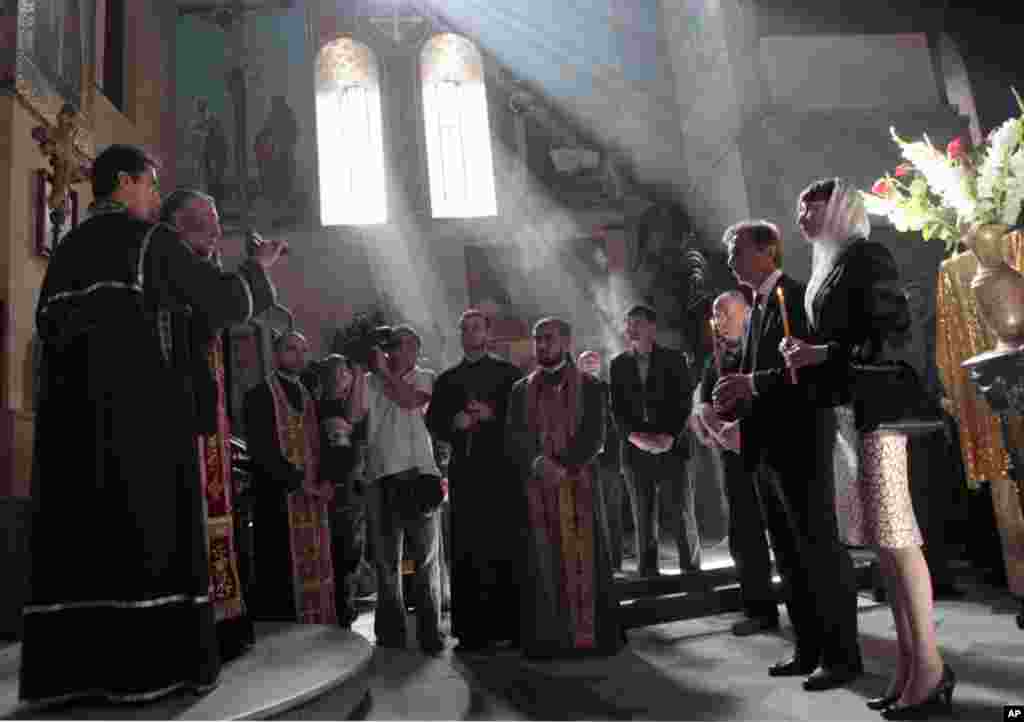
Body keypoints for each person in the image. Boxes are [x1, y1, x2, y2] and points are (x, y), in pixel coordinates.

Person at [21, 144, 284, 706]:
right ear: (124, 182)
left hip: (71, 435)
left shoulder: (67, 250)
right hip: (140, 429)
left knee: (83, 546)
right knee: (146, 542)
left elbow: (45, 332)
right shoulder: (148, 241)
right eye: (151, 184)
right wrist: (258, 271)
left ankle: (72, 677)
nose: (155, 196)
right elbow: (219, 300)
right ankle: (148, 672)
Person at [780, 178, 953, 717]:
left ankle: (930, 669)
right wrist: (812, 355)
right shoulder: (831, 263)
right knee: (883, 546)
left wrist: (820, 354)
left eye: (809, 207)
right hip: (853, 415)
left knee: (898, 540)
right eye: (799, 209)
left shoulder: (867, 256)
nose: (801, 217)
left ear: (837, 209)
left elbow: (892, 338)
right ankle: (911, 667)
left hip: (881, 413)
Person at [713, 219, 862, 692]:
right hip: (765, 448)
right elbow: (760, 377)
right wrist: (735, 402)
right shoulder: (755, 307)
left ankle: (841, 657)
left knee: (817, 551)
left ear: (767, 251)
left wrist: (752, 383)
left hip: (799, 443)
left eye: (737, 249)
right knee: (788, 555)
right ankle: (808, 648)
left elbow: (807, 373)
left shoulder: (797, 297)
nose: (729, 259)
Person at [159, 188, 255, 661]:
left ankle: (222, 622)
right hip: (173, 420)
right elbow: (221, 308)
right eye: (206, 218)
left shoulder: (196, 269)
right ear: (177, 222)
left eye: (217, 218)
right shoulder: (165, 264)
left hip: (206, 421)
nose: (216, 229)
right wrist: (252, 272)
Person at [506, 318, 624, 659]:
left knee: (586, 561)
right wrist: (536, 462)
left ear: (566, 342)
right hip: (537, 490)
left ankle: (589, 637)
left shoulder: (591, 386)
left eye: (548, 338)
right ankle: (547, 639)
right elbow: (513, 435)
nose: (541, 344)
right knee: (541, 563)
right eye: (537, 339)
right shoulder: (520, 389)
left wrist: (563, 465)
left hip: (579, 484)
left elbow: (596, 435)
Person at [424, 310, 523, 651]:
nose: (469, 333)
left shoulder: (509, 375)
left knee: (504, 546)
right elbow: (434, 423)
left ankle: (510, 625)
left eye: (476, 328)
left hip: (502, 474)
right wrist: (454, 423)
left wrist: (493, 415)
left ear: (487, 333)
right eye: (464, 329)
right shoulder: (447, 380)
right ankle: (472, 630)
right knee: (467, 550)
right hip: (465, 474)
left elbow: (524, 420)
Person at [353, 326, 446, 655]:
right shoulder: (369, 380)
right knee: (385, 562)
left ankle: (429, 632)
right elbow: (353, 415)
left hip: (420, 476)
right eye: (390, 344)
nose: (392, 349)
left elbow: (409, 401)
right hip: (380, 479)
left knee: (425, 561)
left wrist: (383, 373)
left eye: (400, 344)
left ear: (415, 349)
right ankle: (391, 634)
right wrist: (360, 369)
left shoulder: (426, 377)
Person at [690, 291, 779, 636]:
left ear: (747, 314)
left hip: (768, 453)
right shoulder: (713, 360)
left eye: (726, 312)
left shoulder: (763, 348)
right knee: (744, 535)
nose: (720, 320)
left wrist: (742, 429)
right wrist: (713, 425)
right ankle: (758, 609)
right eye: (716, 314)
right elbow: (705, 401)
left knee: (783, 533)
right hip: (733, 458)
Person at [243, 331, 337, 625]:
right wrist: (299, 482)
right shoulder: (259, 395)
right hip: (278, 501)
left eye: (303, 350)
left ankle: (319, 630)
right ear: (276, 355)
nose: (298, 356)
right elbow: (261, 451)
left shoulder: (310, 396)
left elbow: (324, 444)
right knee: (279, 574)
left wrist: (327, 480)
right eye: (291, 349)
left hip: (313, 501)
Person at [610, 304, 699, 576]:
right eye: (628, 323)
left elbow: (684, 403)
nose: (630, 328)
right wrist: (634, 437)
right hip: (635, 451)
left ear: (652, 327)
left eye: (636, 323)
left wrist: (669, 437)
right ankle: (648, 576)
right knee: (643, 516)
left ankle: (691, 573)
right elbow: (617, 409)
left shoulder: (674, 359)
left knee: (681, 513)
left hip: (672, 447)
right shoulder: (618, 364)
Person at [317, 354, 368, 629]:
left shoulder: (352, 404)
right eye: (335, 373)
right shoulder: (323, 406)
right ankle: (338, 612)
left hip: (351, 488)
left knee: (350, 552)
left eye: (345, 373)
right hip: (332, 487)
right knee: (338, 552)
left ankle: (344, 609)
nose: (341, 378)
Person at [578, 349, 627, 572]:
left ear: (599, 366)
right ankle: (592, 562)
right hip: (582, 461)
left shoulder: (610, 390)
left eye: (594, 360)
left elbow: (619, 424)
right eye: (586, 361)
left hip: (609, 460)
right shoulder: (573, 391)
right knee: (586, 512)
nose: (590, 364)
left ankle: (614, 562)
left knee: (612, 511)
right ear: (579, 365)